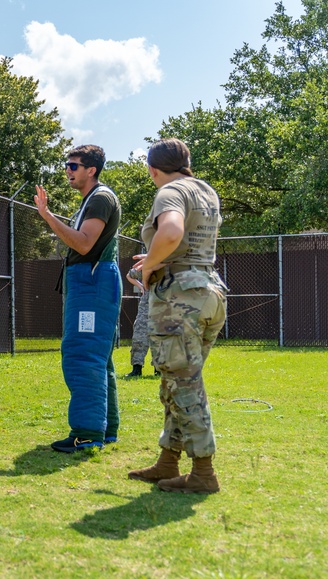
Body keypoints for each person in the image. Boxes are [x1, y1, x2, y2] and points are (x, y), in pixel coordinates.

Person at [127, 138, 227, 493]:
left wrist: (148, 267)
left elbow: (170, 232)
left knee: (185, 385)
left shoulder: (169, 192)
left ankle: (203, 473)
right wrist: (159, 260)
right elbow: (189, 246)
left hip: (179, 300)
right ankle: (168, 461)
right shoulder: (206, 191)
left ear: (154, 170)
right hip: (209, 291)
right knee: (175, 380)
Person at [33, 145, 121, 453]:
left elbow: (84, 244)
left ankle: (86, 434)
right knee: (98, 357)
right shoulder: (90, 200)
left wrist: (46, 216)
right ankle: (105, 430)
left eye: (73, 166)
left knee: (82, 355)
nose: (68, 170)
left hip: (92, 283)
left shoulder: (100, 198)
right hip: (90, 282)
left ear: (91, 170)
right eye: (67, 165)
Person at [127, 287, 152, 377]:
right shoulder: (144, 272)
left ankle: (159, 370)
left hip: (163, 308)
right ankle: (137, 369)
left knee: (162, 342)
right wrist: (142, 286)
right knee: (139, 339)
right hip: (145, 310)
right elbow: (130, 275)